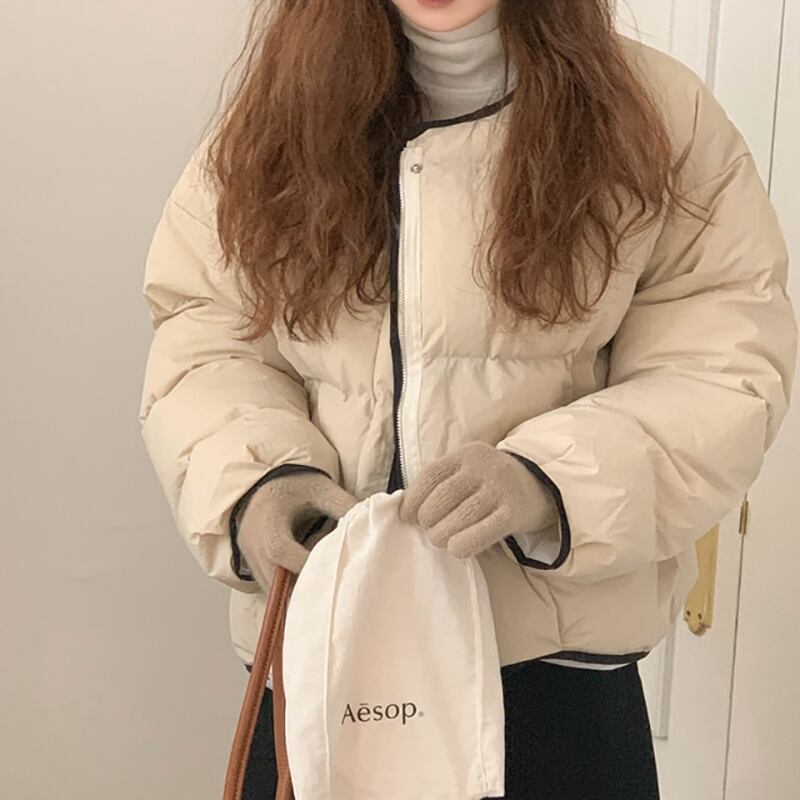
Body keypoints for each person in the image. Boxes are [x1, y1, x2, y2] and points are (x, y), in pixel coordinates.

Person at [138, 1, 797, 797]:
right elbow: (209, 336)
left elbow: (723, 363)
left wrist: (549, 481)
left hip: (553, 681)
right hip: (328, 654)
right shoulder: (278, 113)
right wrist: (256, 483)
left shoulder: (658, 116)